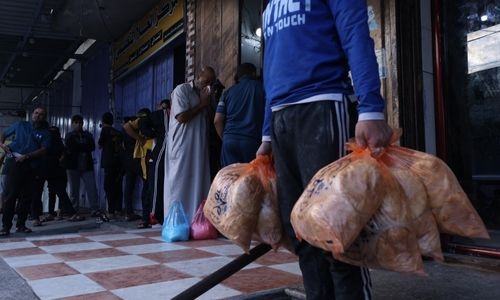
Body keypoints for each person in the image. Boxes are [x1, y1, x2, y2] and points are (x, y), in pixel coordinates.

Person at [256, 2, 394, 300]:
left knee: (336, 231)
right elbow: (270, 71)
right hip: (281, 117)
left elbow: (356, 35)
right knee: (300, 232)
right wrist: (267, 133)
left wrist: (370, 109)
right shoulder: (270, 8)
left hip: (323, 104)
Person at [165, 66, 215, 224]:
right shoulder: (182, 90)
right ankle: (175, 223)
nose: (207, 85)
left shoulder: (205, 95)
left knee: (197, 182)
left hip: (198, 147)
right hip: (182, 146)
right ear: (198, 75)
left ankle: (196, 222)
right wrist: (202, 105)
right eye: (206, 81)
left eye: (211, 82)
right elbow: (182, 117)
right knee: (179, 183)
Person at [0, 107, 51, 236]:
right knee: (11, 195)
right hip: (15, 161)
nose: (38, 115)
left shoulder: (45, 132)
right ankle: (6, 226)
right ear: (32, 114)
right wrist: (2, 144)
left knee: (26, 196)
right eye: (36, 113)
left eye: (41, 114)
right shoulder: (21, 124)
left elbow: (44, 149)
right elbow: (4, 133)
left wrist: (27, 156)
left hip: (31, 165)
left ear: (44, 117)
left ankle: (21, 225)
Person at [214, 62, 265, 167]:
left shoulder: (227, 92)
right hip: (252, 141)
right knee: (250, 179)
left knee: (229, 179)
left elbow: (217, 120)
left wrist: (226, 138)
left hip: (229, 140)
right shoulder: (262, 89)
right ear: (254, 73)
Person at [65, 114, 105, 220]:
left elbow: (91, 146)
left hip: (87, 165)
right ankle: (74, 210)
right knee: (74, 189)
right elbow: (71, 146)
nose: (78, 125)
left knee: (92, 188)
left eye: (80, 123)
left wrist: (80, 146)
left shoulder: (88, 135)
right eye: (76, 122)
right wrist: (83, 146)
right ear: (72, 124)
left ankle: (94, 209)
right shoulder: (69, 135)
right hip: (73, 166)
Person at [139, 99, 170, 225]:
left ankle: (152, 215)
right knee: (153, 186)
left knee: (153, 186)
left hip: (154, 157)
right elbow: (135, 124)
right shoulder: (162, 116)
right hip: (154, 157)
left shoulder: (164, 117)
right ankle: (152, 215)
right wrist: (151, 134)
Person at [123, 108, 154, 228]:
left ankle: (147, 216)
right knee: (147, 187)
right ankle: (146, 217)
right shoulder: (143, 122)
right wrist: (139, 138)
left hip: (145, 158)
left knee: (147, 187)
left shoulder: (151, 122)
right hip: (144, 159)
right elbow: (127, 127)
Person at [98, 112, 125, 219]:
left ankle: (111, 211)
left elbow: (100, 144)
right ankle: (118, 210)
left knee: (108, 186)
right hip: (119, 162)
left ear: (103, 121)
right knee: (118, 186)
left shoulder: (105, 130)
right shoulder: (118, 132)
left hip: (109, 162)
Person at [121, 116, 142, 222]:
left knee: (129, 186)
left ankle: (128, 212)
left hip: (127, 160)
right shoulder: (136, 131)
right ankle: (149, 211)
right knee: (147, 184)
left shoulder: (123, 133)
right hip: (137, 159)